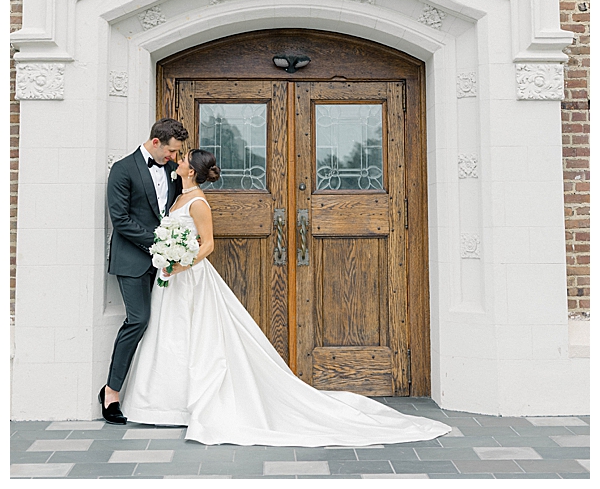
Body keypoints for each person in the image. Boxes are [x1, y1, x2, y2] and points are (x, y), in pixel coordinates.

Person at [121, 149, 451, 446]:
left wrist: (180, 265)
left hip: (189, 278)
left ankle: (190, 403)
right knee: (174, 336)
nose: (176, 162)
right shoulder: (179, 197)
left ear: (190, 171)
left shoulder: (198, 203)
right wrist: (167, 256)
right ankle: (166, 404)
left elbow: (208, 245)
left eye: (182, 160)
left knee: (198, 338)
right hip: (173, 278)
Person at [99, 118, 189, 424]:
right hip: (133, 260)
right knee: (138, 320)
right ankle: (111, 392)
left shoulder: (171, 170)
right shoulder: (122, 170)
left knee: (165, 325)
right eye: (172, 151)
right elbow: (120, 219)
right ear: (155, 143)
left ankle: (153, 395)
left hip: (165, 262)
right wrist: (160, 242)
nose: (174, 157)